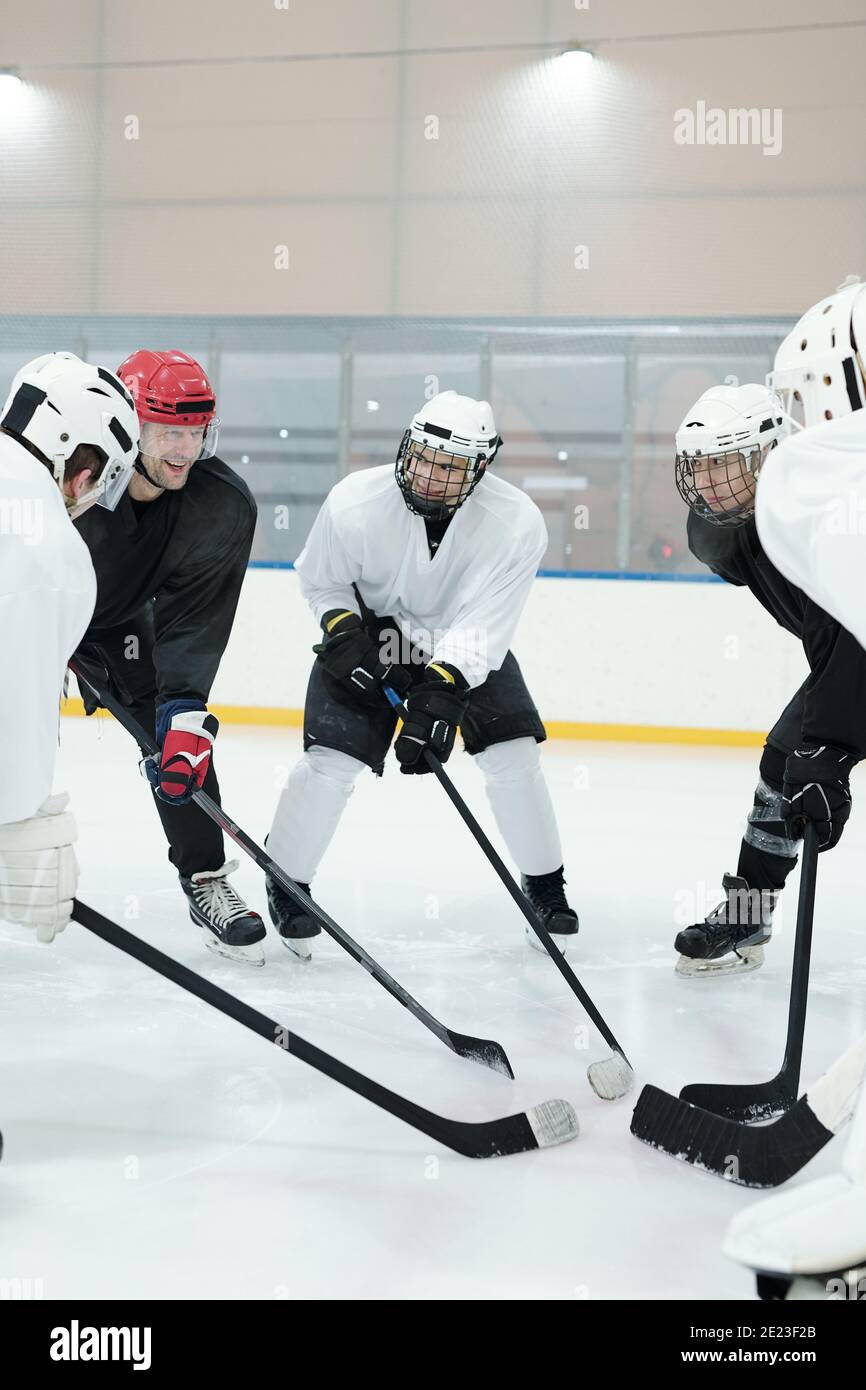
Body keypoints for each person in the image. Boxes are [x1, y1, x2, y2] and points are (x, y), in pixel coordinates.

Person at [264, 389, 578, 960]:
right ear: (407, 448)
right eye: (424, 458)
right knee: (332, 759)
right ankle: (286, 881)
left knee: (512, 753)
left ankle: (545, 888)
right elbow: (322, 579)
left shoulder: (516, 524)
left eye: (450, 467)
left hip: (462, 642)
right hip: (371, 635)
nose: (430, 476)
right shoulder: (354, 501)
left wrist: (441, 688)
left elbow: (486, 624)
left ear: (480, 469)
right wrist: (341, 628)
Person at [72, 350, 265, 965]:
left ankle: (205, 879)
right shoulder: (72, 470)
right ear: (130, 424)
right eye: (167, 432)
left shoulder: (220, 504)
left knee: (175, 740)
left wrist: (183, 712)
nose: (184, 449)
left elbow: (194, 615)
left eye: (194, 431)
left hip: (123, 619)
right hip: (31, 606)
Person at [671, 380, 866, 976]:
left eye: (725, 464)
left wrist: (830, 747)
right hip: (848, 652)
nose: (708, 483)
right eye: (700, 467)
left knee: (807, 757)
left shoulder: (831, 511)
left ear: (771, 453)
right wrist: (816, 748)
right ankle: (749, 913)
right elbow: (830, 637)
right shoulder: (723, 531)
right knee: (783, 764)